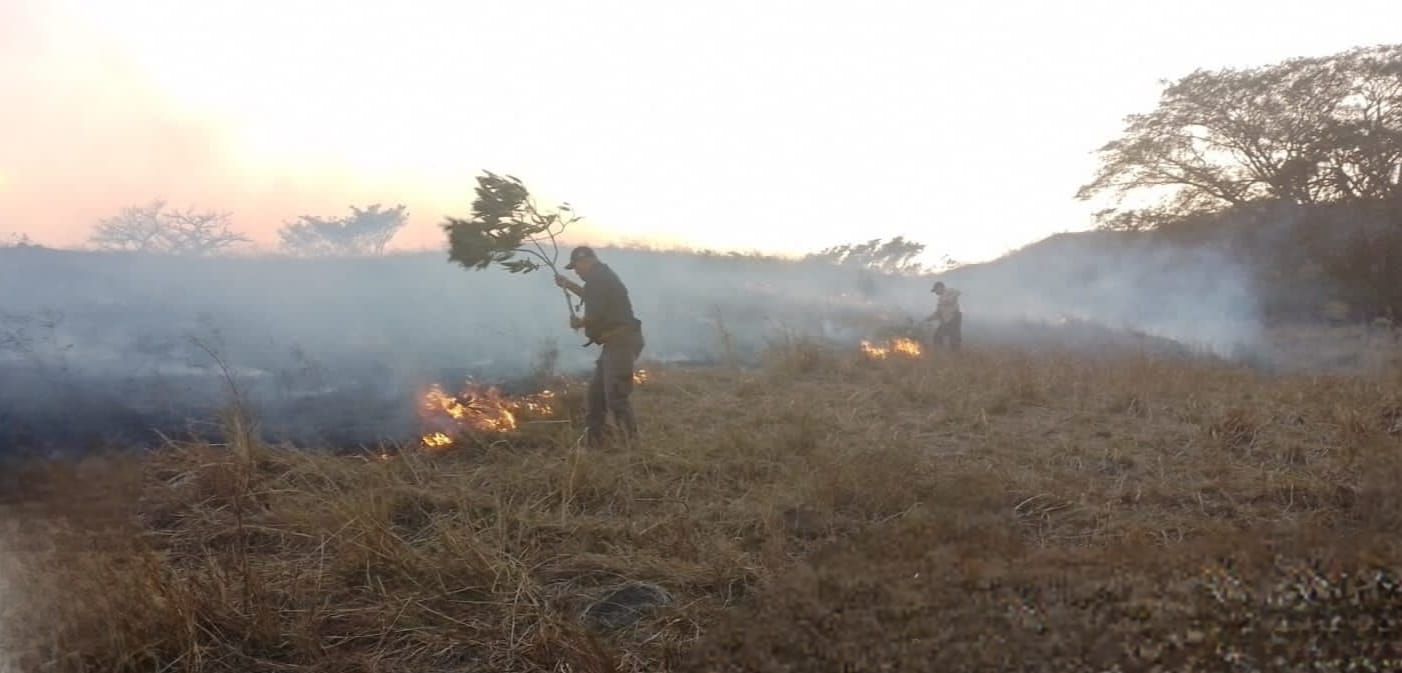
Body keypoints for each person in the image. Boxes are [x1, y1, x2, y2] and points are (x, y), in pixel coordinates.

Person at [554, 246, 645, 447]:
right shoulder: (599, 277)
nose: (576, 271)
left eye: (576, 267)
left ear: (586, 261)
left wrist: (580, 322)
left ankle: (633, 447)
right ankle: (596, 442)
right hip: (614, 343)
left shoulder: (600, 279)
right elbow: (590, 296)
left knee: (616, 397)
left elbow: (596, 313)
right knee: (596, 396)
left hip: (621, 342)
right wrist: (567, 284)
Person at [925, 281, 962, 351]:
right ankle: (940, 352)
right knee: (937, 336)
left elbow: (958, 292)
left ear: (940, 287)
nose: (935, 293)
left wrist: (947, 299)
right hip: (946, 320)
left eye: (936, 290)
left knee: (954, 338)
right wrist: (929, 318)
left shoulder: (949, 291)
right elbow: (938, 312)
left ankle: (955, 355)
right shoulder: (940, 299)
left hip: (954, 317)